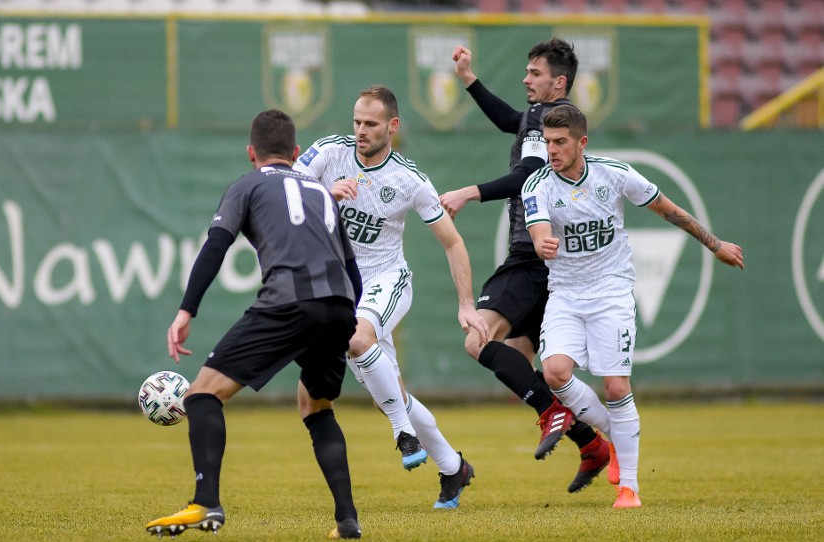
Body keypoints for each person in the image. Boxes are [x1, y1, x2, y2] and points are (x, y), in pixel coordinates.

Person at [146, 109, 364, 539]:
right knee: (317, 406)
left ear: (251, 153)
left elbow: (215, 247)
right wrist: (348, 318)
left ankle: (205, 502)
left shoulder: (246, 185)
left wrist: (186, 310)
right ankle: (347, 520)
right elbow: (352, 268)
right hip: (340, 305)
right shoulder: (321, 191)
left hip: (289, 301)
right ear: (297, 153)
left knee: (202, 395)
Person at [523, 104, 745, 508]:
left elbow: (667, 209)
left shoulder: (615, 174)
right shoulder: (537, 184)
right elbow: (538, 229)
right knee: (554, 374)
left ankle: (629, 488)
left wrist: (715, 245)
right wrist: (541, 243)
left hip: (611, 291)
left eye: (560, 143)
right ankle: (614, 435)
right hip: (566, 294)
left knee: (615, 387)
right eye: (548, 142)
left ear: (581, 143)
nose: (551, 150)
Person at [294, 85, 489, 509]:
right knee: (392, 391)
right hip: (341, 288)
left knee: (357, 340)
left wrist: (465, 304)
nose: (361, 131)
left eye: (371, 123)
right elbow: (287, 194)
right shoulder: (328, 152)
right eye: (357, 122)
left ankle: (402, 433)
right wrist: (326, 195)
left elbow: (453, 243)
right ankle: (453, 467)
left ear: (392, 126)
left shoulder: (409, 179)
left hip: (386, 280)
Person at [439, 38, 609, 493]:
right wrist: (470, 81)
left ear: (559, 81)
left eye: (534, 73)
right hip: (554, 261)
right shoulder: (555, 121)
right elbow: (510, 122)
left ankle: (557, 415)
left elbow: (526, 177)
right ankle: (591, 444)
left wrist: (467, 192)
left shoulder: (544, 120)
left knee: (478, 341)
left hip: (529, 255)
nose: (525, 79)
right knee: (519, 362)